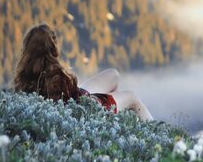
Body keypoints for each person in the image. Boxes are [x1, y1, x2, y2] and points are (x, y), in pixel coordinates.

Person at [14, 23, 153, 121]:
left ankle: (116, 117)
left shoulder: (23, 76)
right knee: (133, 97)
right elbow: (68, 110)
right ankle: (157, 137)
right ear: (52, 47)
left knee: (113, 74)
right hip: (87, 110)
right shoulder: (56, 75)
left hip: (78, 97)